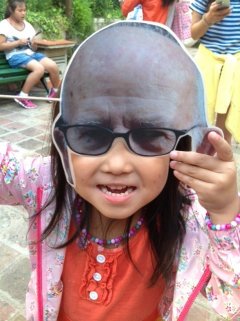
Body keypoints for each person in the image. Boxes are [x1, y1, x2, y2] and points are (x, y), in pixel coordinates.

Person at [0, 21, 240, 321]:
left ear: (188, 147)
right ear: (62, 141)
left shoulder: (187, 219)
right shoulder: (45, 184)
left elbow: (232, 299)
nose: (117, 164)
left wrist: (224, 214)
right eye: (90, 134)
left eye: (150, 136)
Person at [190, 0, 240, 145]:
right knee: (200, 116)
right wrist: (208, 18)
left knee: (226, 123)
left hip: (235, 63)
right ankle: (197, 153)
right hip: (207, 61)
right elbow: (194, 34)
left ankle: (220, 160)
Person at [0, 0, 60, 109]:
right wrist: (17, 42)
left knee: (53, 66)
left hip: (30, 54)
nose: (23, 13)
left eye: (24, 10)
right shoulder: (4, 25)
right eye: (20, 10)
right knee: (39, 69)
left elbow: (33, 48)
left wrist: (34, 44)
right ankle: (22, 96)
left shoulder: (27, 25)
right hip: (15, 56)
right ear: (11, 10)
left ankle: (55, 93)